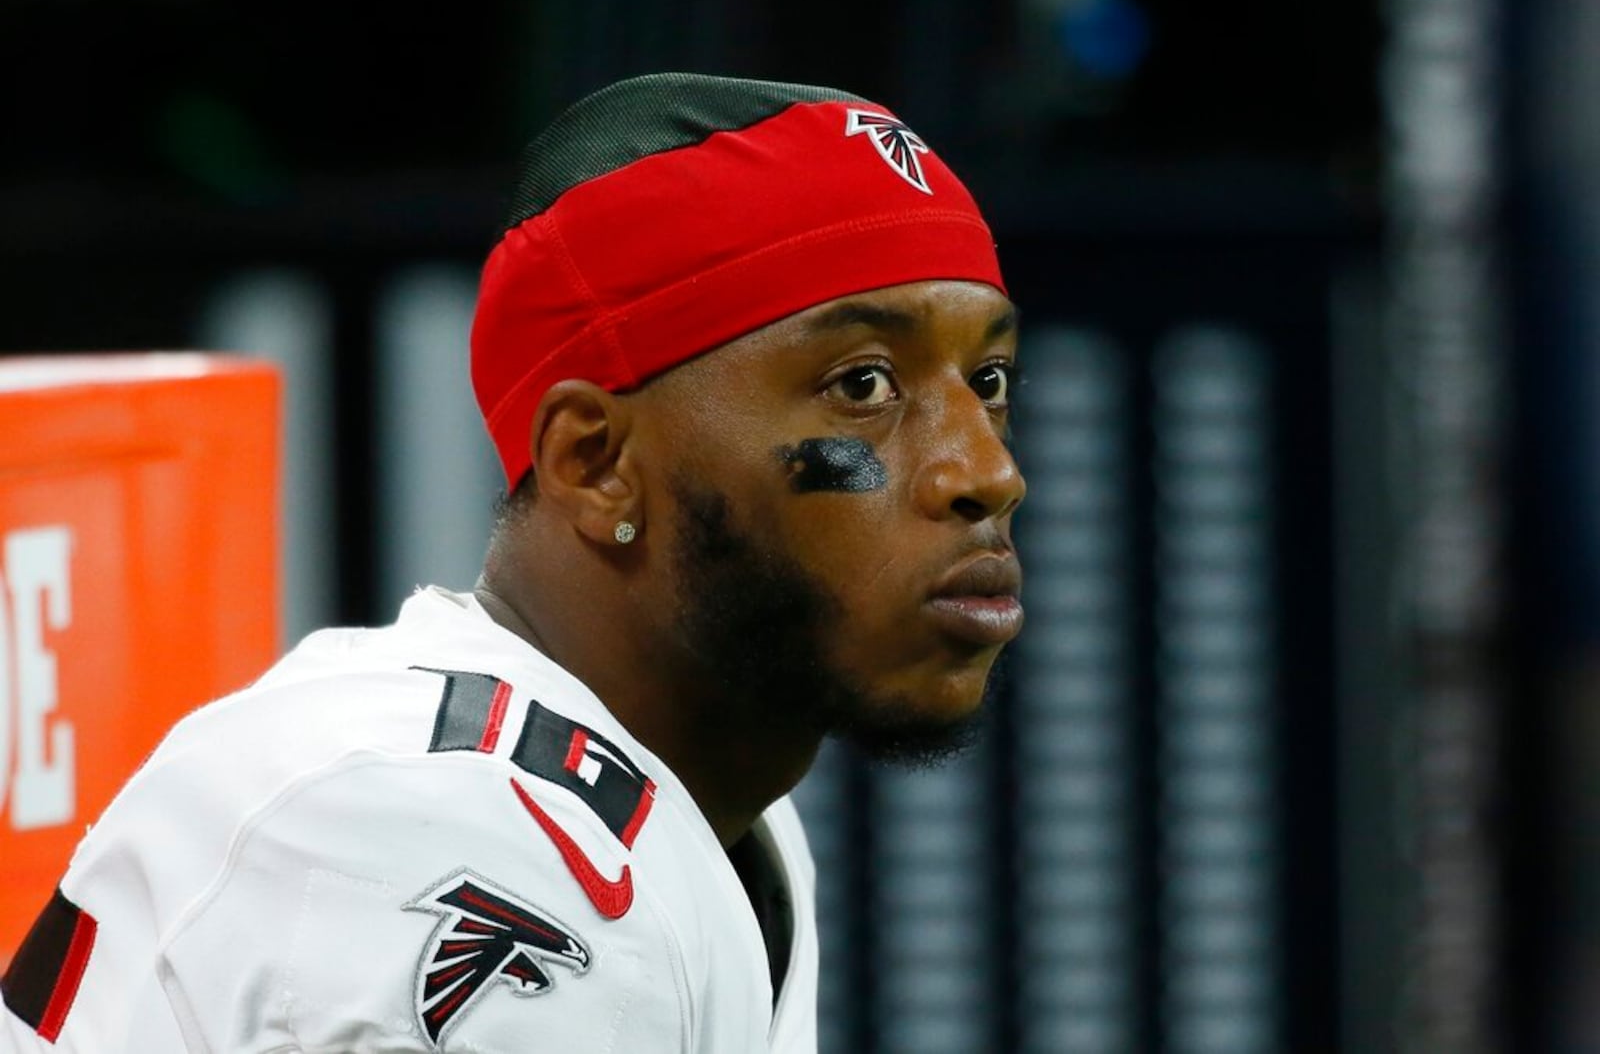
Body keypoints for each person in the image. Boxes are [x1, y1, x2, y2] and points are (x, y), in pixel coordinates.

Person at [1, 72, 1025, 1052]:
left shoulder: (711, 804)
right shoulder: (449, 831)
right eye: (862, 385)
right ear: (596, 463)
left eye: (986, 378)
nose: (986, 470)